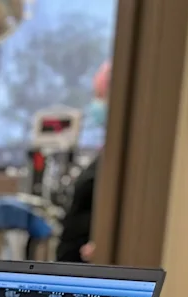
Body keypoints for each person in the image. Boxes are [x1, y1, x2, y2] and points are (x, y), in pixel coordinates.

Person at [57, 60, 110, 264]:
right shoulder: (106, 154)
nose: (97, 105)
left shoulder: (130, 156)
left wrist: (102, 242)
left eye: (100, 97)